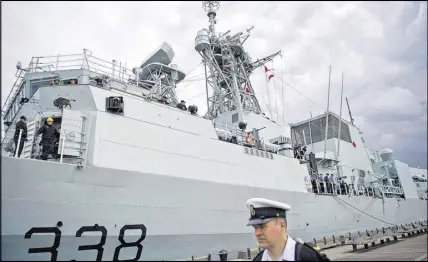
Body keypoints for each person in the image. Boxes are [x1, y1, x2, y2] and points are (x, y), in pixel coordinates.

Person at [247, 198, 330, 261]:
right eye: (255, 228)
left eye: (262, 226)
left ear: (282, 225)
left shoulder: (309, 256)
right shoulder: (258, 259)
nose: (257, 233)